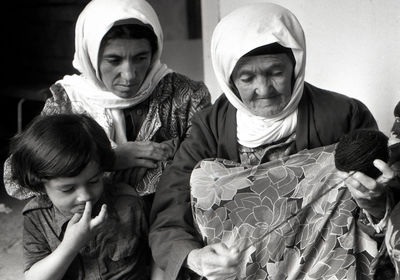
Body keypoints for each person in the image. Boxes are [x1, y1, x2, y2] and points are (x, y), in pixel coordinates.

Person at [149, 3, 395, 279]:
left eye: (276, 73)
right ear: (228, 79)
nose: (264, 89)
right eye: (247, 77)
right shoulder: (210, 128)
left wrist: (376, 203)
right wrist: (194, 257)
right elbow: (169, 214)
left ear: (295, 67)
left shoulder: (345, 116)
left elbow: (384, 207)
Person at [3, 0, 211, 203]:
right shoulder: (68, 101)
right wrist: (106, 160)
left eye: (140, 58)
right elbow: (15, 179)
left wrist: (162, 157)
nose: (129, 75)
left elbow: (208, 157)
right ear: (90, 55)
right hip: (90, 222)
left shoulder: (187, 94)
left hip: (167, 213)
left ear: (154, 52)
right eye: (114, 60)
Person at [10, 113, 150, 280]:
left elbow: (158, 257)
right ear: (41, 185)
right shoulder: (37, 217)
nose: (85, 196)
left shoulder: (129, 204)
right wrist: (70, 245)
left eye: (93, 181)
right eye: (68, 189)